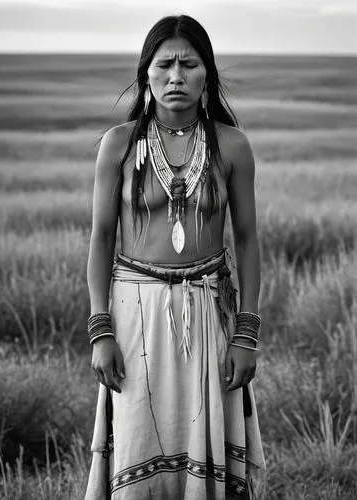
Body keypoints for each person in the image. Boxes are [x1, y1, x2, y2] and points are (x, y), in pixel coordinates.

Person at [85, 15, 265, 500]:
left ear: (208, 74)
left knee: (204, 453)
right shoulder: (119, 146)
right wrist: (101, 330)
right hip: (134, 314)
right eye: (165, 64)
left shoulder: (232, 146)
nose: (176, 76)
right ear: (146, 72)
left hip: (208, 312)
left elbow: (247, 240)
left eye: (189, 64)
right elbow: (102, 237)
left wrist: (246, 333)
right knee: (139, 441)